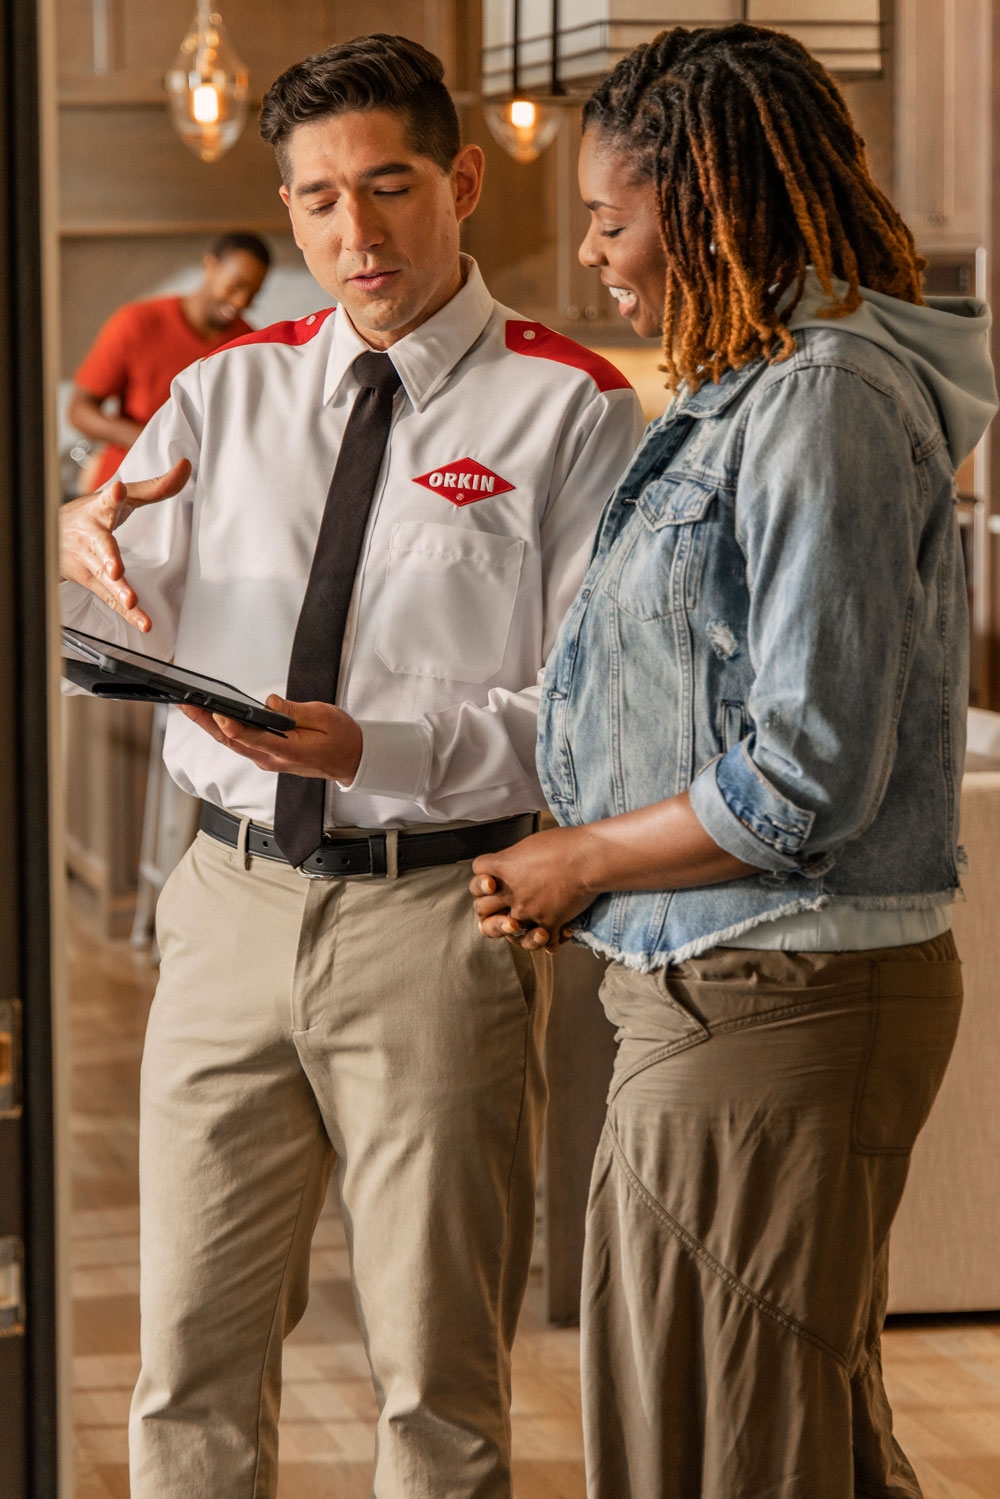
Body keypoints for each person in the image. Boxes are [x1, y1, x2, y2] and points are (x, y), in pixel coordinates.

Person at [59, 33, 643, 1499]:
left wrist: (373, 744)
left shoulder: (573, 407)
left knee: (436, 1384)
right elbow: (119, 614)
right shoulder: (219, 395)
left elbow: (587, 714)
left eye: (386, 187)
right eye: (316, 199)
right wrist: (89, 549)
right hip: (227, 902)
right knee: (187, 1365)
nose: (352, 233)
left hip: (439, 920)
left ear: (459, 180)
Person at [469, 23, 997, 1499]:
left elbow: (807, 773)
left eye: (613, 216)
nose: (595, 255)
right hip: (722, 984)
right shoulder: (752, 393)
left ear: (706, 205)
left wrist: (581, 855)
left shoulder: (824, 399)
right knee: (771, 1426)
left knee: (729, 1444)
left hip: (774, 987)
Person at [67, 230, 271, 492]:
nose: (242, 301)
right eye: (236, 285)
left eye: (253, 293)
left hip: (202, 493)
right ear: (211, 265)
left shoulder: (250, 343)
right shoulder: (137, 322)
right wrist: (152, 440)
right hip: (125, 487)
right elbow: (79, 411)